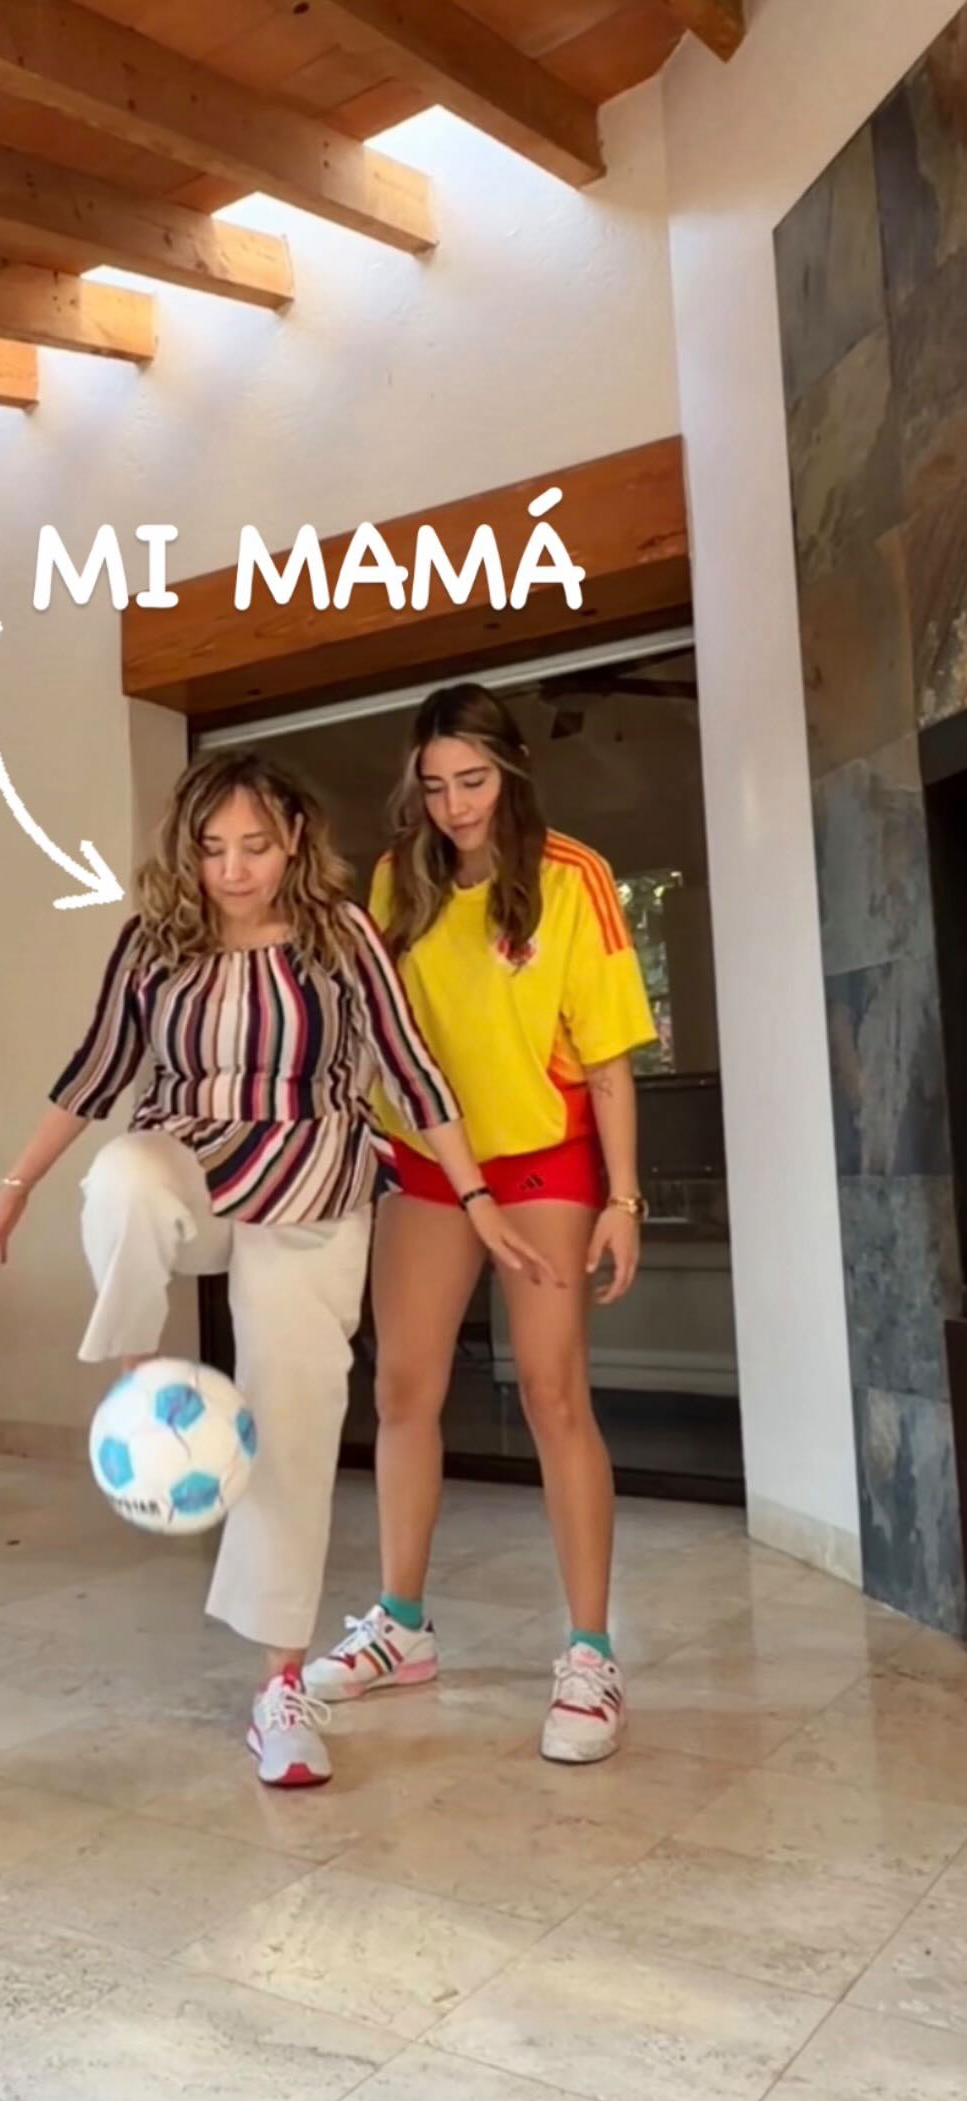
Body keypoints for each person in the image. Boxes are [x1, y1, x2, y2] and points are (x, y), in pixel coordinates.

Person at [0, 748, 556, 1788]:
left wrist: (474, 1197)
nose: (232, 870)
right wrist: (12, 1189)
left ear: (293, 844)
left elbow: (413, 1069)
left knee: (294, 1418)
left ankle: (280, 1686)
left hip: (312, 1182)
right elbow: (96, 1069)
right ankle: (142, 1380)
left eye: (254, 847)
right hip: (191, 1157)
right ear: (185, 851)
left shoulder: (341, 936)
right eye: (212, 848)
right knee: (123, 1178)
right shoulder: (152, 942)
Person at [307, 683, 655, 1764]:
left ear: (510, 773)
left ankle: (590, 1654)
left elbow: (607, 1061)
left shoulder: (572, 877)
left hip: (543, 1158)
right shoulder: (392, 882)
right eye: (435, 786)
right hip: (425, 1160)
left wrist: (623, 1200)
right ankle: (401, 1625)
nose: (455, 806)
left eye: (473, 781)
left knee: (551, 1393)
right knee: (401, 1390)